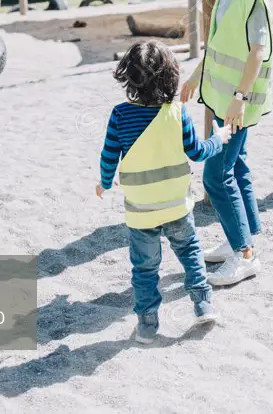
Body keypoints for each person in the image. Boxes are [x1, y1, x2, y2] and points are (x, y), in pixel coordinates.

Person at [96, 41, 232, 344]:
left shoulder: (120, 116)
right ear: (170, 77)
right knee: (191, 252)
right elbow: (197, 152)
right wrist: (219, 138)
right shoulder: (177, 113)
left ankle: (147, 325)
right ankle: (203, 304)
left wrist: (105, 183)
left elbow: (108, 156)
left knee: (144, 267)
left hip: (141, 210)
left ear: (129, 78)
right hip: (177, 206)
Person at [180, 0, 272, 287]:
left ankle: (245, 254)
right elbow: (218, 44)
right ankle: (245, 240)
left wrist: (239, 97)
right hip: (221, 98)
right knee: (238, 170)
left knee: (216, 177)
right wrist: (194, 75)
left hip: (238, 103)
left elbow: (257, 52)